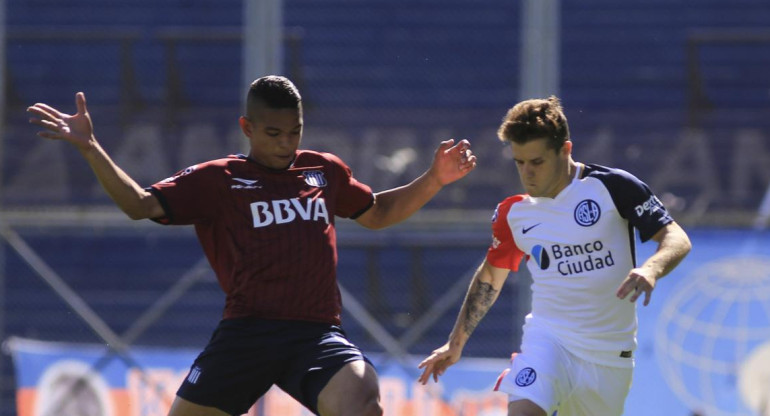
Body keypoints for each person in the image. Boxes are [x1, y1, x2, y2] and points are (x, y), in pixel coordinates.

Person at [27, 75, 477, 416]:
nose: (285, 144)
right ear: (247, 127)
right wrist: (90, 147)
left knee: (362, 398)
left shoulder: (322, 170)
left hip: (315, 333)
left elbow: (377, 213)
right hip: (247, 333)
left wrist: (434, 179)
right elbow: (139, 205)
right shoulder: (218, 178)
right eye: (273, 133)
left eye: (294, 132)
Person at [417, 96, 691, 416]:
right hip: (548, 342)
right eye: (519, 162)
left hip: (607, 357)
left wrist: (652, 269)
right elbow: (491, 276)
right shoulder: (514, 213)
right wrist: (456, 342)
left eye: (537, 162)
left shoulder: (613, 187)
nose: (527, 173)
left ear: (565, 150)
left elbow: (676, 238)